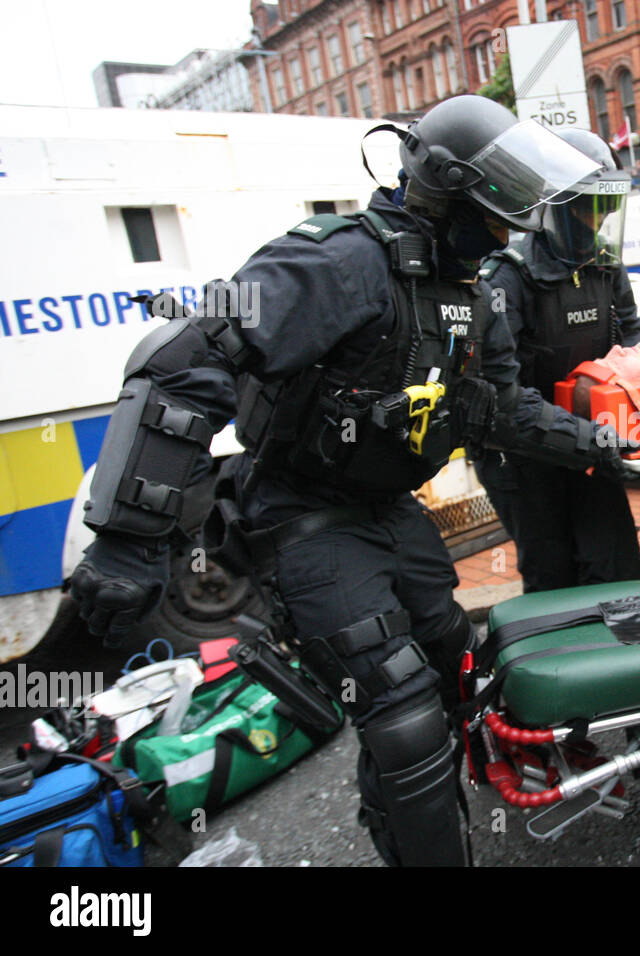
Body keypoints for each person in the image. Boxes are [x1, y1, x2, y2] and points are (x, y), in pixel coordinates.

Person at [67, 96, 608, 866]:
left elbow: (490, 407)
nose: (510, 228)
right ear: (444, 187)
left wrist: (598, 443)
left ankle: (418, 817)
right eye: (497, 209)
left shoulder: (470, 287)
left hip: (390, 510)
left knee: (456, 662)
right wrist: (126, 542)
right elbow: (187, 356)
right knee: (400, 707)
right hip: (303, 514)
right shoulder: (341, 261)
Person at [475, 128, 640, 592]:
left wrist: (632, 386)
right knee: (554, 578)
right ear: (554, 205)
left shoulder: (604, 264)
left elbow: (630, 332)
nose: (598, 219)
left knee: (616, 566)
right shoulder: (507, 275)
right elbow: (497, 391)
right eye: (587, 207)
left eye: (605, 206)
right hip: (524, 453)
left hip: (594, 441)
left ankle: (623, 661)